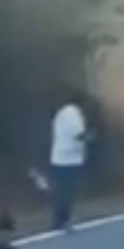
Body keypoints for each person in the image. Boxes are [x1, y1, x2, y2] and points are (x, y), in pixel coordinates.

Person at [46, 94, 91, 232]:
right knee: (68, 191)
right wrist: (90, 137)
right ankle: (63, 220)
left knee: (62, 190)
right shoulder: (73, 113)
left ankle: (58, 220)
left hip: (60, 157)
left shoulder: (62, 113)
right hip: (69, 159)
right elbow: (78, 134)